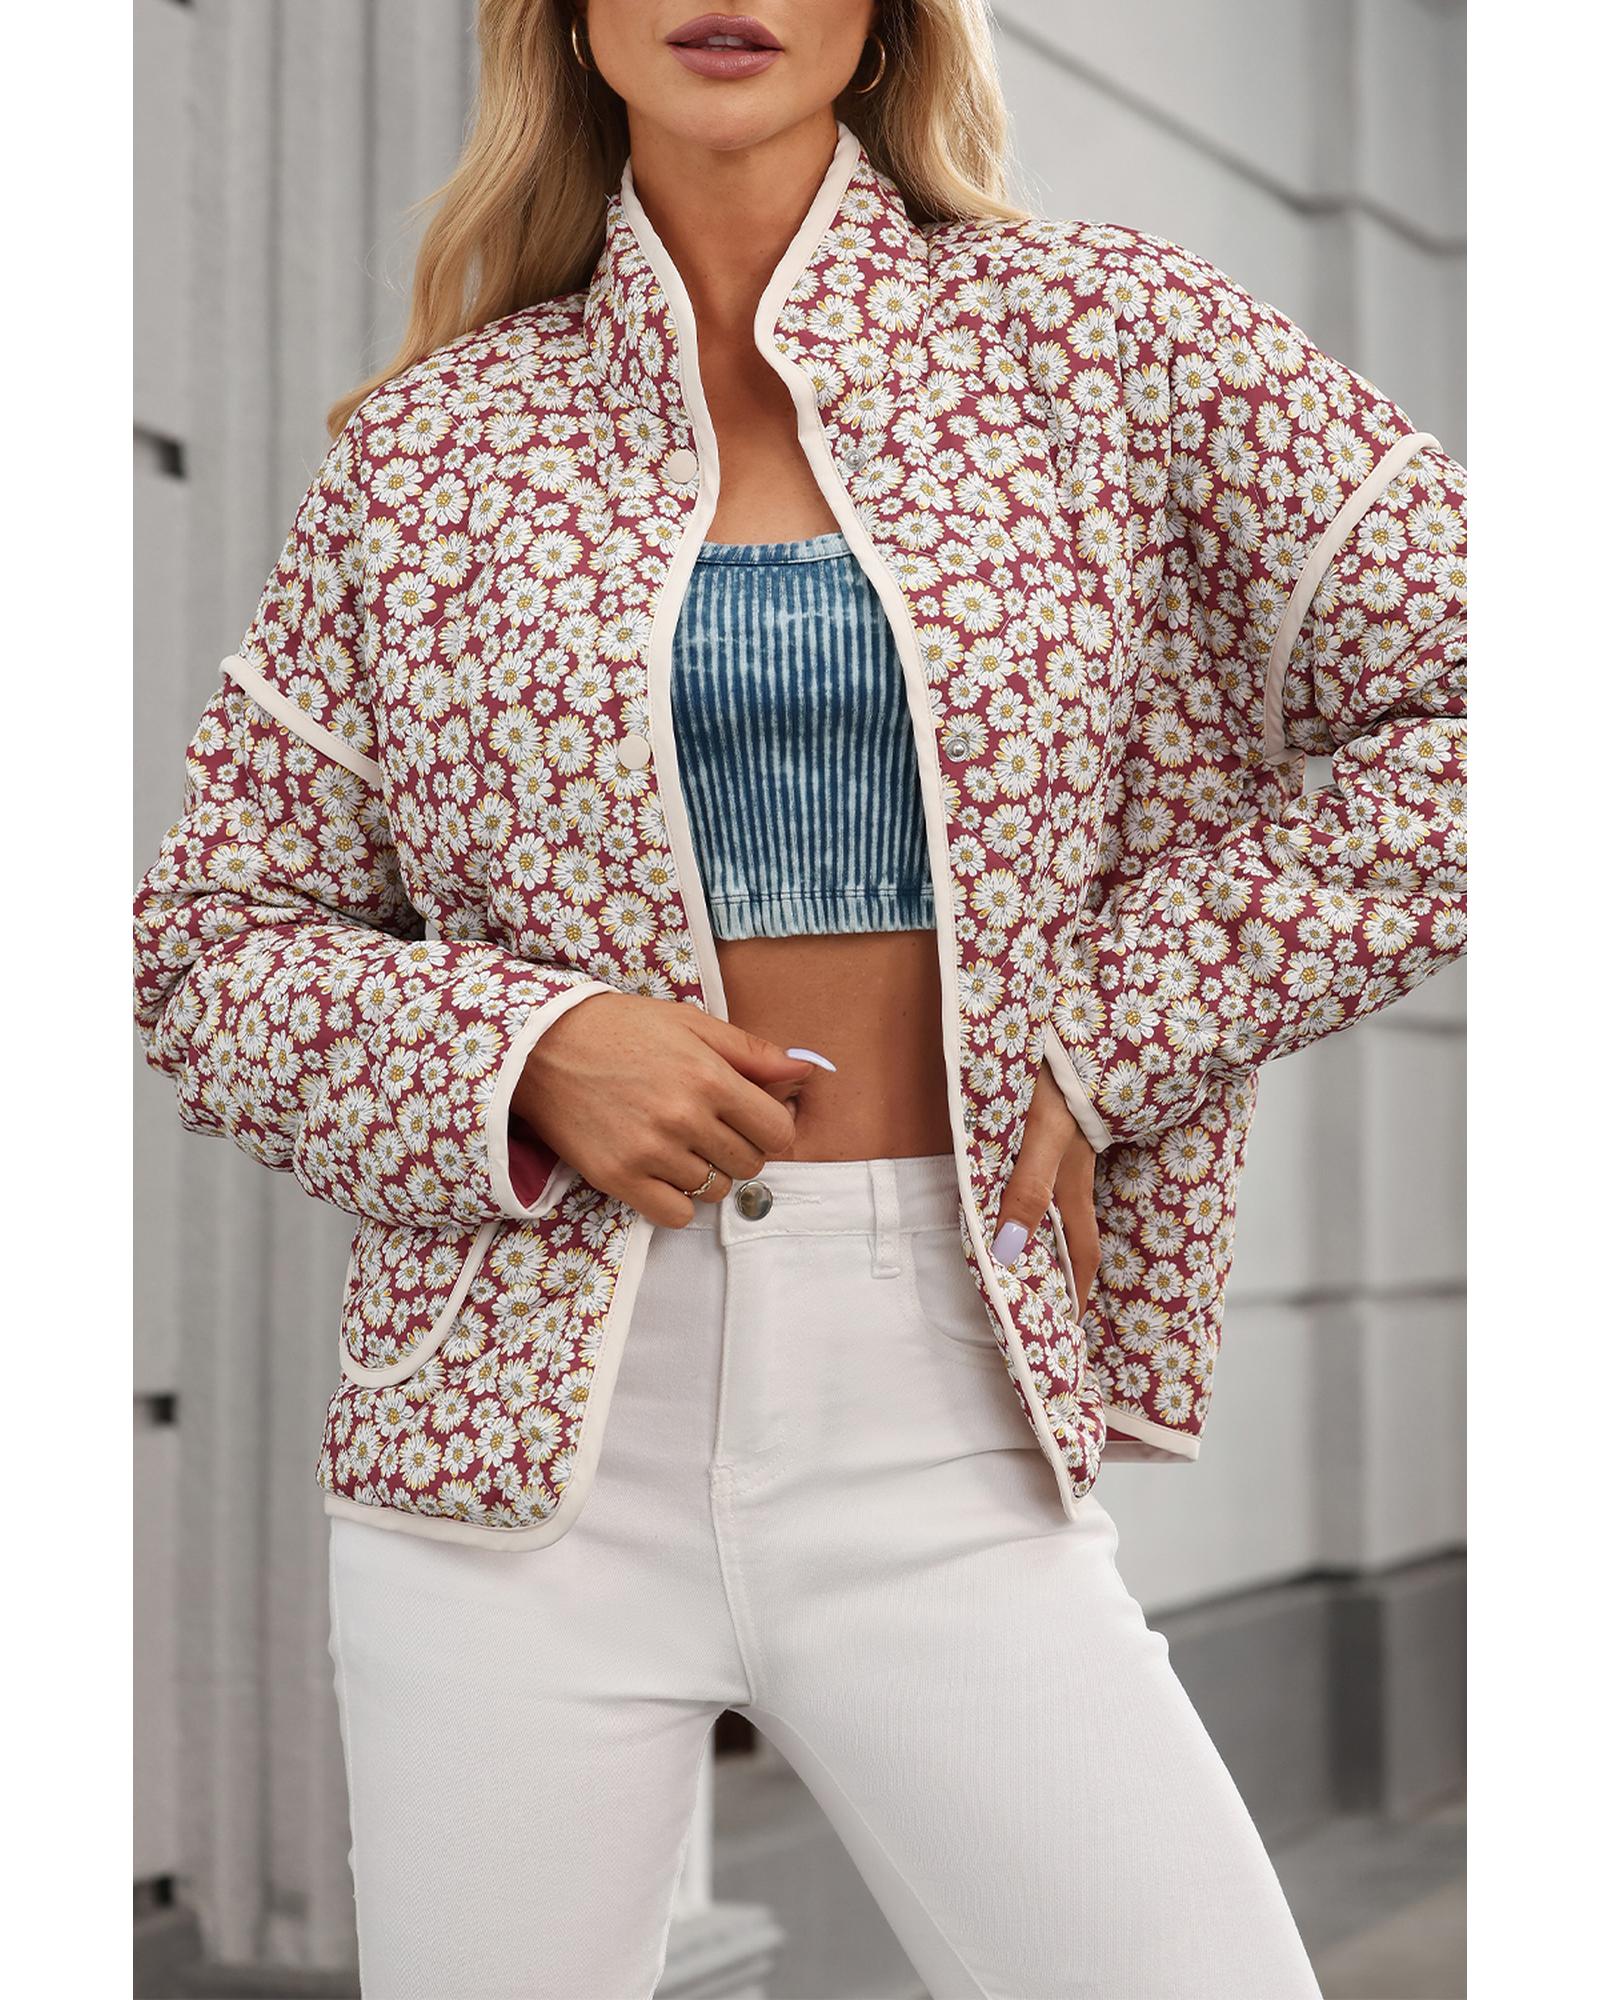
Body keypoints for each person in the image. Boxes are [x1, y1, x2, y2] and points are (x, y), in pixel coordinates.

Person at [131, 2, 1466, 1994]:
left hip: (936, 1386)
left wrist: (1115, 1026)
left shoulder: (1113, 342)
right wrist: (529, 1050)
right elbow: (211, 939)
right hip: (508, 1438)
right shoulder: (428, 450)